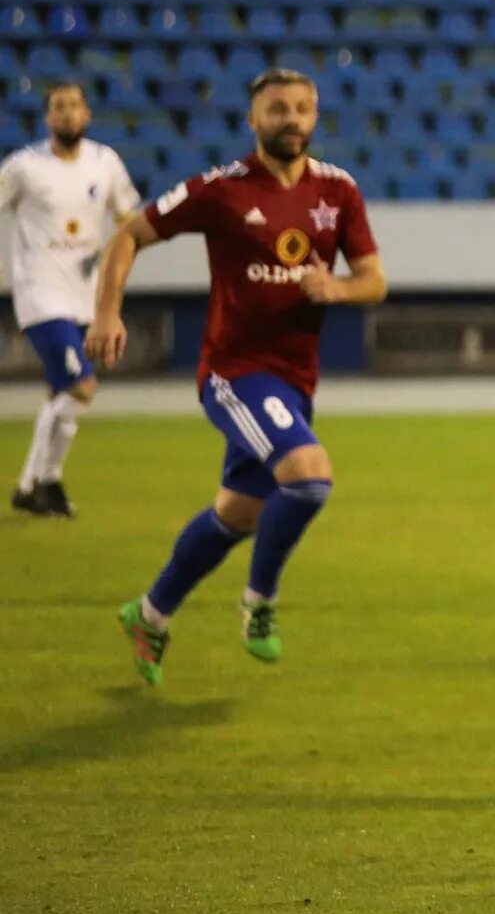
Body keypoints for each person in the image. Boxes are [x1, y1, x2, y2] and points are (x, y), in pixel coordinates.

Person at [92, 68, 387, 682]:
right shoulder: (220, 190)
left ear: (315, 116)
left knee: (240, 514)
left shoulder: (339, 191)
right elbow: (129, 234)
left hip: (295, 381)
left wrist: (336, 287)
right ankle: (259, 603)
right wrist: (106, 313)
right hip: (234, 374)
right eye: (278, 109)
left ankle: (149, 614)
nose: (292, 120)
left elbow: (374, 281)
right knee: (308, 478)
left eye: (303, 108)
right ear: (253, 120)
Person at [5, 81, 141, 519]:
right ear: (47, 118)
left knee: (59, 394)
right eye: (59, 107)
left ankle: (32, 487)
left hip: (86, 298)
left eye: (75, 106)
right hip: (40, 294)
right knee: (80, 386)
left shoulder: (105, 163)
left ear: (87, 115)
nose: (67, 114)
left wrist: (109, 253)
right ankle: (48, 479)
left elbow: (128, 219)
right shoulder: (24, 167)